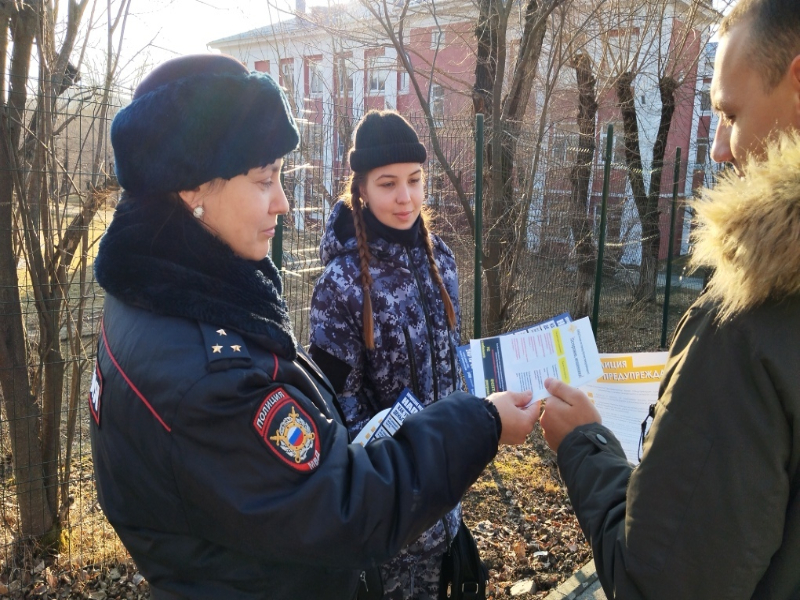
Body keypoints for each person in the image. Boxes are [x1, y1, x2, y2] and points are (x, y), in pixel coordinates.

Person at [89, 54, 541, 600]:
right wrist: (480, 426)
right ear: (192, 190)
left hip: (412, 504)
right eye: (265, 179)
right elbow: (340, 503)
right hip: (377, 528)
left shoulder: (166, 303)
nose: (282, 202)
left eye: (416, 181)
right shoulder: (208, 370)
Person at [538, 0, 800, 598]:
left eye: (730, 115)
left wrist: (583, 443)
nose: (720, 150)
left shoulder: (746, 324)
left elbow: (658, 582)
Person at [309, 110, 465, 599]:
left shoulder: (441, 259)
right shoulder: (340, 284)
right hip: (388, 518)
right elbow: (337, 410)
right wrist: (398, 478)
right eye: (388, 183)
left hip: (447, 502)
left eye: (415, 181)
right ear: (361, 190)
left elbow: (451, 364)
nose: (406, 197)